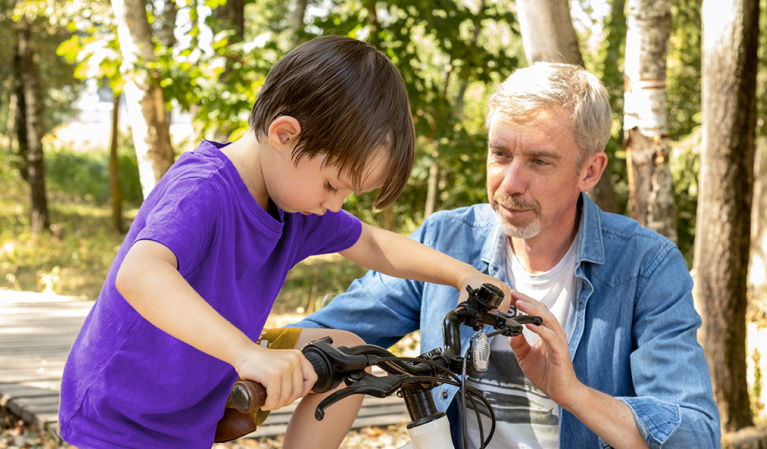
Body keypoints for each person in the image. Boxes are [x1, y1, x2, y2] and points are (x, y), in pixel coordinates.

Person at [58, 35, 509, 449]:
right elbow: (139, 273)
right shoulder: (204, 190)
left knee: (346, 351)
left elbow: (371, 244)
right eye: (334, 185)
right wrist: (247, 355)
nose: (336, 204)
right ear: (284, 135)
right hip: (121, 415)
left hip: (187, 405)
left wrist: (463, 274)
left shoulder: (294, 205)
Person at [291, 62, 721, 448]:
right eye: (500, 155)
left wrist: (573, 393)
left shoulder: (647, 265)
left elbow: (696, 435)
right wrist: (239, 355)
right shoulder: (446, 241)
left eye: (539, 161)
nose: (510, 183)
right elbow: (332, 333)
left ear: (589, 171)